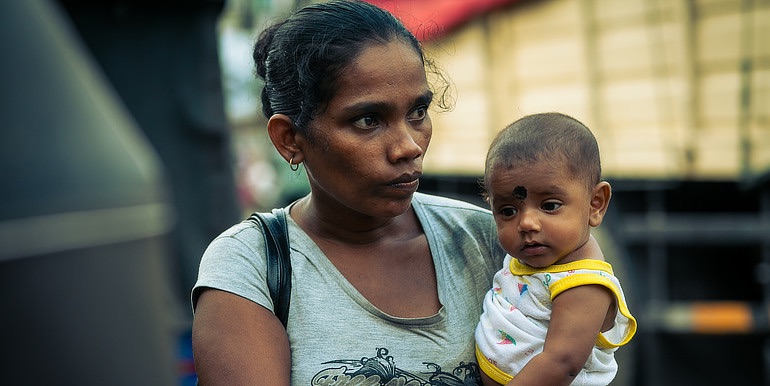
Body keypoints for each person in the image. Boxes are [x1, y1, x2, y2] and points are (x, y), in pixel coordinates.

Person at [189, 1, 524, 384]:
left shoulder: (485, 241)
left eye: (417, 112)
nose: (408, 146)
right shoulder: (253, 265)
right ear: (290, 140)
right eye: (368, 120)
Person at [474, 112, 637, 386]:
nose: (526, 223)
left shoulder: (583, 285)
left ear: (595, 204)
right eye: (508, 210)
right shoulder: (535, 260)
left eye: (549, 205)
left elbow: (560, 364)